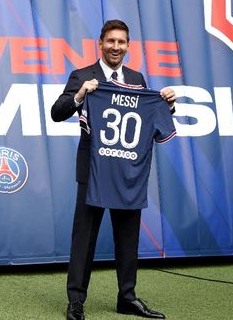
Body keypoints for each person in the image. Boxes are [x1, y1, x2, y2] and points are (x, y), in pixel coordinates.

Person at [51, 19, 176, 320]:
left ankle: (127, 297)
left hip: (126, 171)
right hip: (93, 170)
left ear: (128, 46)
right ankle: (76, 301)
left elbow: (149, 119)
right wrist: (80, 95)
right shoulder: (82, 75)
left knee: (128, 235)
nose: (116, 47)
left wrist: (168, 106)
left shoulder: (137, 78)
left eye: (121, 42)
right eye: (111, 41)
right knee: (84, 237)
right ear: (100, 43)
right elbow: (57, 112)